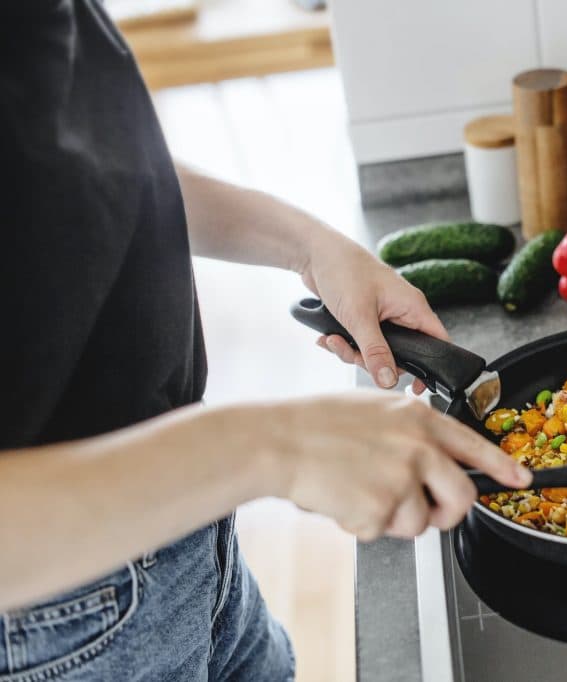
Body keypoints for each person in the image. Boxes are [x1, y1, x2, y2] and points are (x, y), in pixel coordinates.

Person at [0, 1, 531, 679]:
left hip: (185, 525)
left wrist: (307, 245)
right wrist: (272, 445)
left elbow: (78, 166)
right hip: (52, 622)